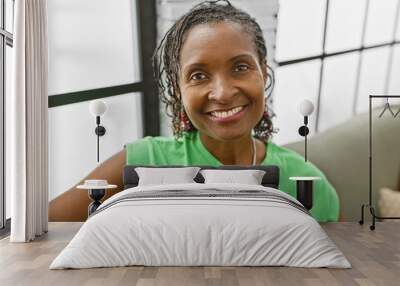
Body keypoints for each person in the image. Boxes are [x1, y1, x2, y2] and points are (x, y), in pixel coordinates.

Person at [49, 0, 339, 222]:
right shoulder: (141, 161)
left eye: (240, 67)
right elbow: (46, 228)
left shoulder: (310, 185)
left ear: (263, 73)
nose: (223, 92)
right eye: (198, 75)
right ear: (179, 89)